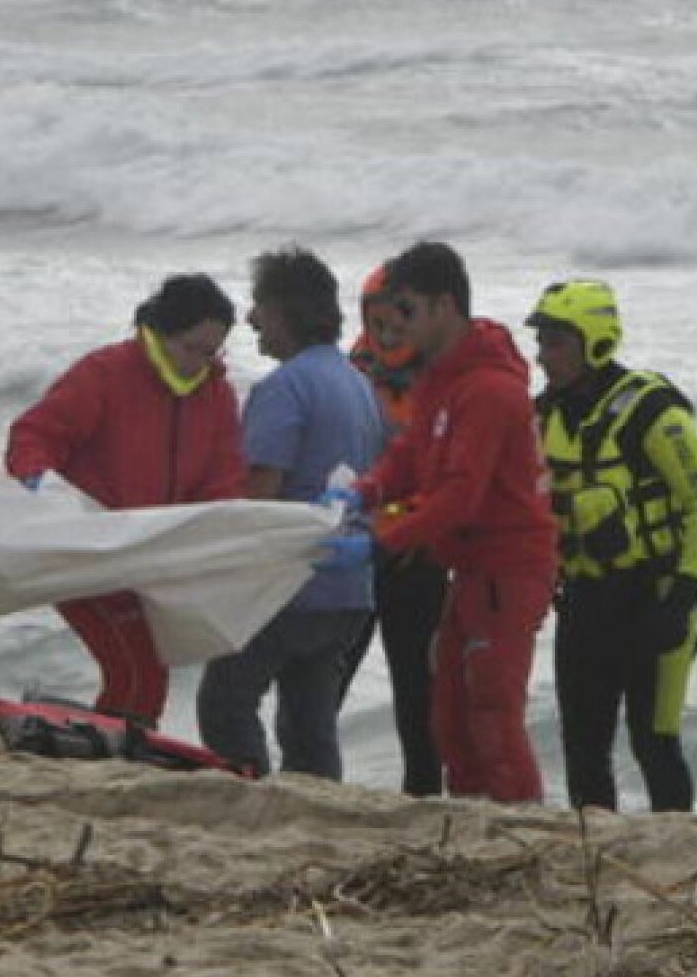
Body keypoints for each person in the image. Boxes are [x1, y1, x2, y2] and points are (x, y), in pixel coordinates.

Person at [330, 242, 558, 803]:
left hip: (508, 570)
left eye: (408, 311)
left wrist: (380, 541)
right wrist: (367, 489)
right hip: (468, 567)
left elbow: (460, 494)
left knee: (492, 716)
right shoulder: (443, 379)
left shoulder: (488, 389)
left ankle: (519, 827)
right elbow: (411, 456)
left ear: (443, 306)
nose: (397, 327)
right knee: (450, 715)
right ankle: (472, 819)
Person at [5, 273, 248, 726]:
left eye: (211, 352)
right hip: (84, 552)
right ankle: (120, 751)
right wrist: (35, 478)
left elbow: (223, 479)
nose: (200, 362)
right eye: (192, 348)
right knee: (138, 669)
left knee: (143, 671)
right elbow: (35, 433)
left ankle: (119, 746)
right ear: (163, 330)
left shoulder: (216, 396)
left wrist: (220, 530)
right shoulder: (106, 372)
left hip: (150, 558)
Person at [528, 279, 697, 813]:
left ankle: (678, 856)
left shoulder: (651, 411)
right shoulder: (543, 416)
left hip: (656, 601)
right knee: (584, 752)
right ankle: (596, 861)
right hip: (586, 603)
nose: (543, 356)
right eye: (542, 342)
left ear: (594, 341)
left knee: (655, 744)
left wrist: (683, 596)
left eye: (555, 342)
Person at [195, 248, 383, 779]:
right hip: (348, 587)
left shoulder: (284, 387)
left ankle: (245, 795)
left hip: (289, 585)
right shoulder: (356, 382)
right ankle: (315, 803)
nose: (250, 319)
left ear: (286, 311)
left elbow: (263, 493)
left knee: (225, 704)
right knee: (310, 722)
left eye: (260, 306)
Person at [346, 263, 451, 796]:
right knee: (326, 688)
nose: (387, 336)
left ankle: (424, 799)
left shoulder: (446, 380)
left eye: (398, 323)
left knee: (420, 695)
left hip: (419, 557)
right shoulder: (351, 372)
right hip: (357, 555)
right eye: (377, 323)